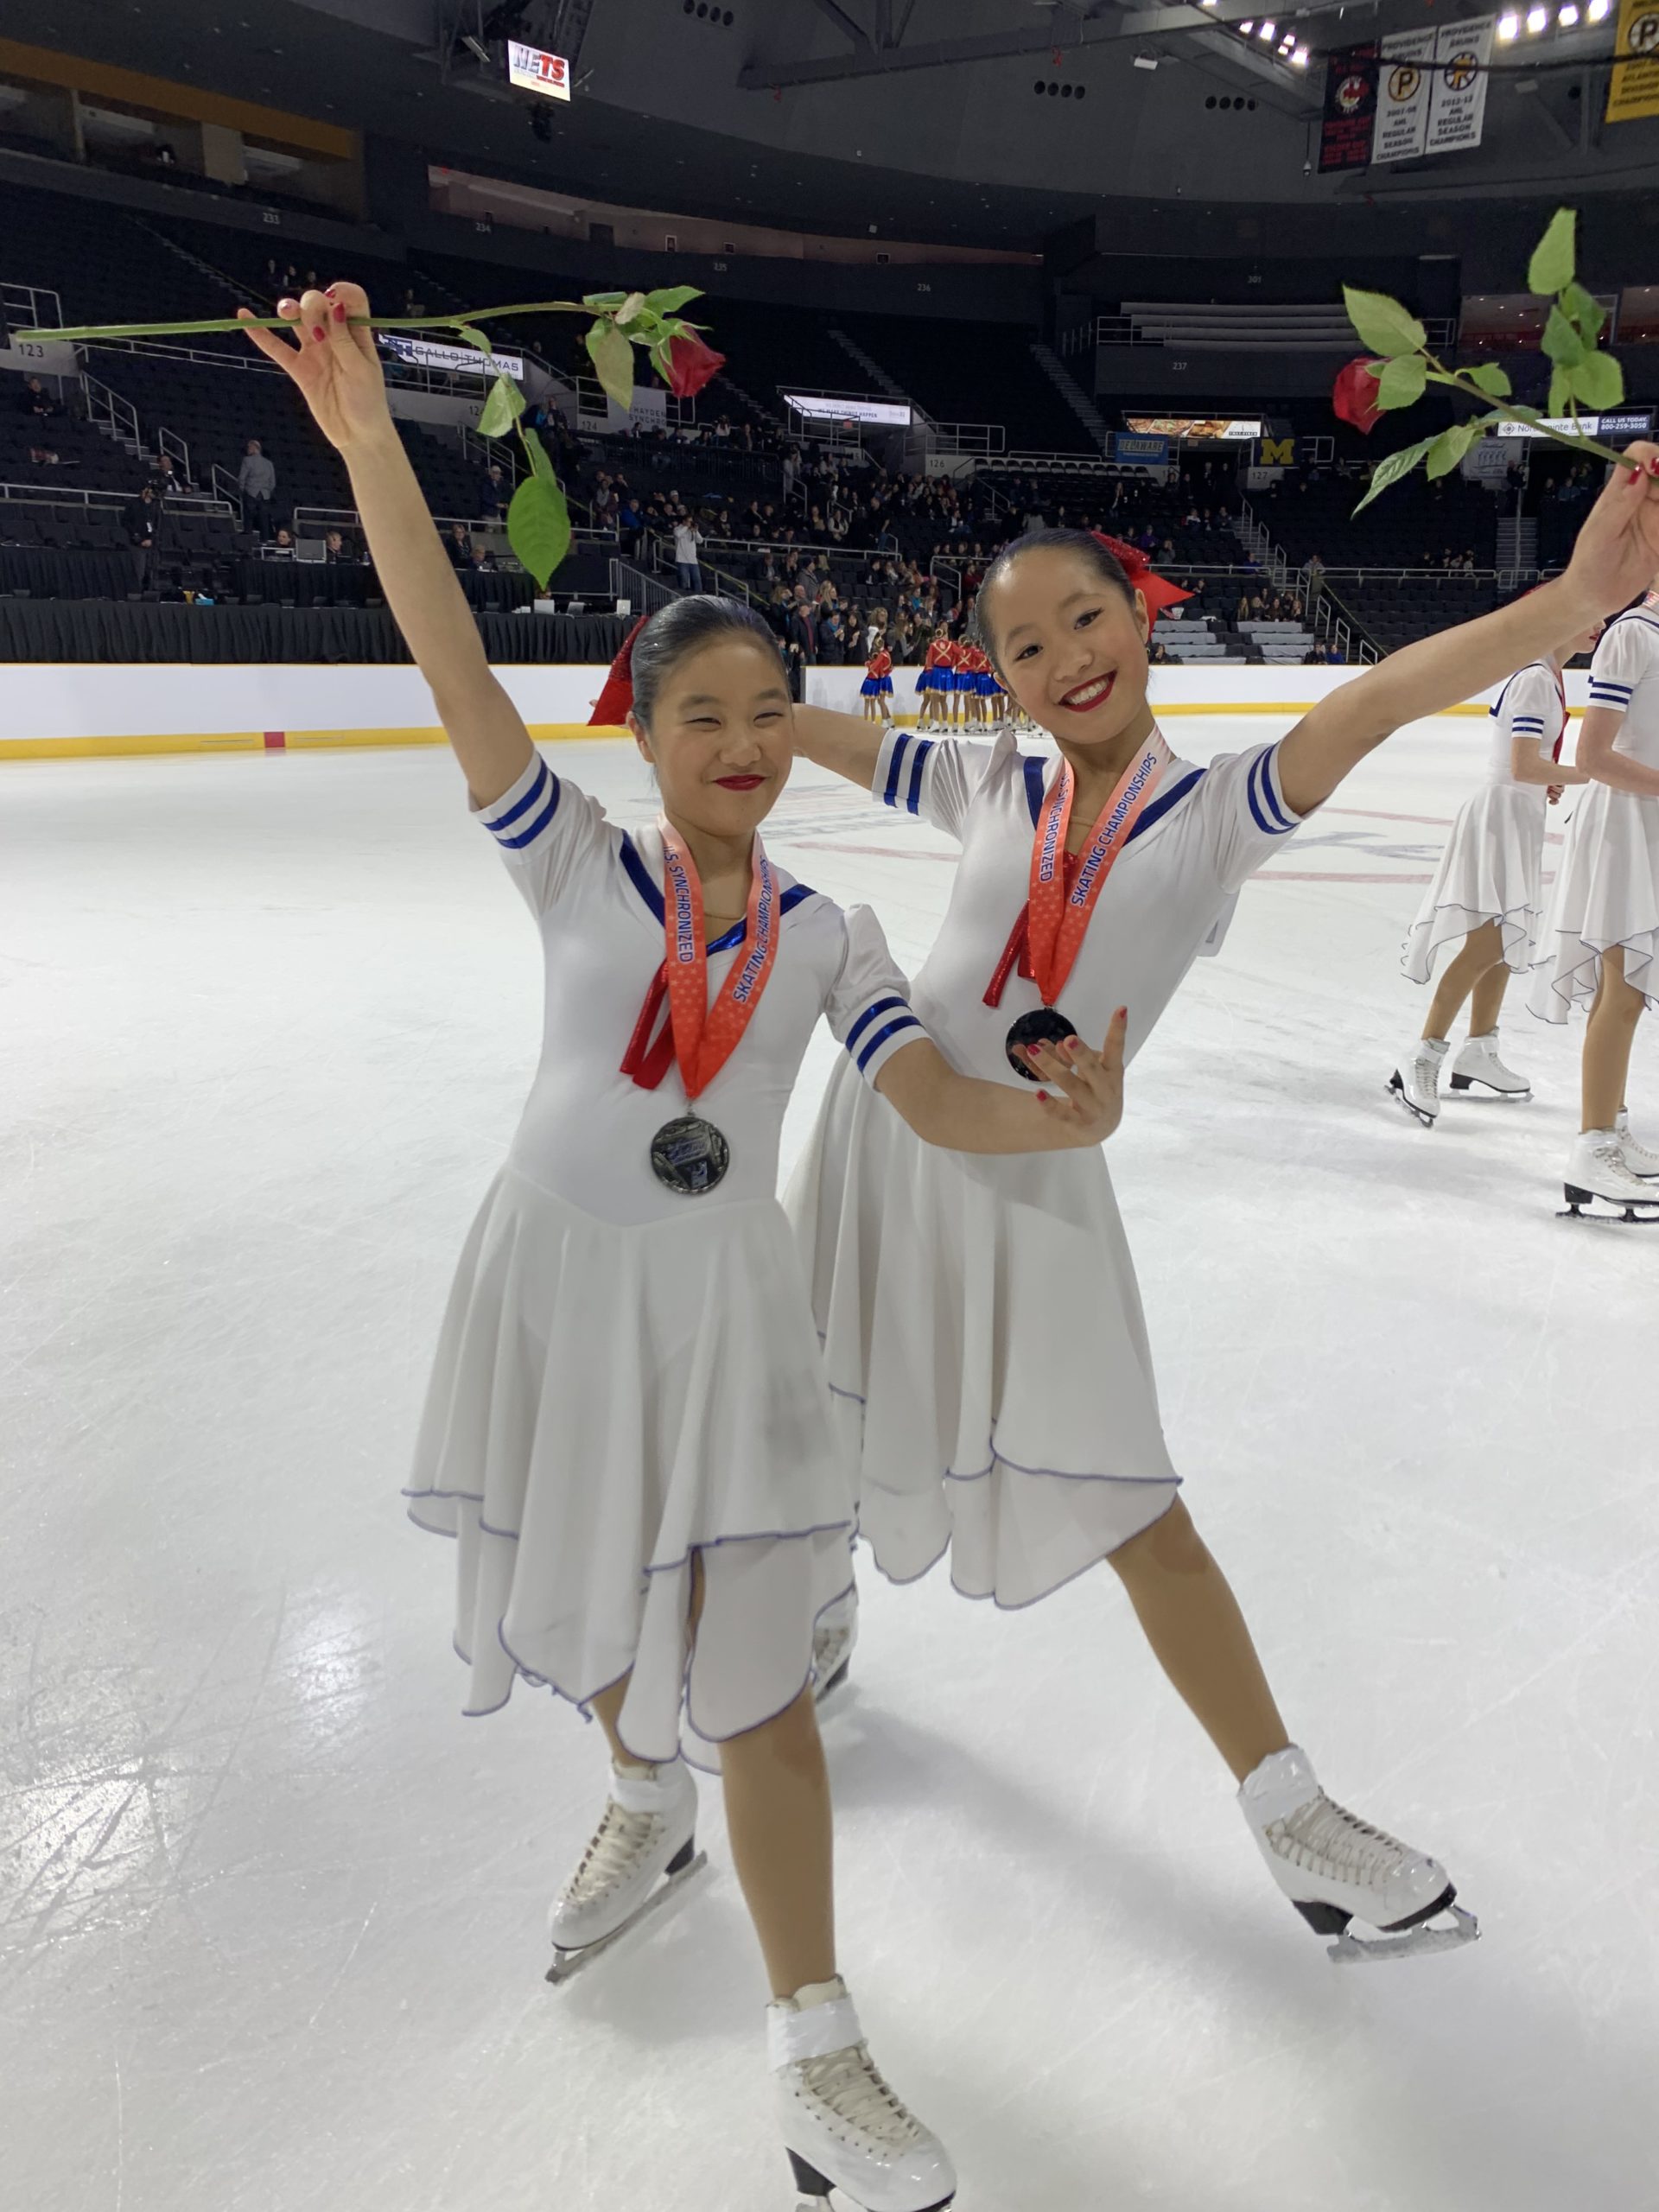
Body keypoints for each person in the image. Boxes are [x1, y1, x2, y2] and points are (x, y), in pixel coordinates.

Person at [238, 278, 1133, 2211]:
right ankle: (640, 1802)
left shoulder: (828, 938)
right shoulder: (567, 852)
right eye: (698, 714)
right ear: (641, 734)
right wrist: (376, 445)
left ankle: (818, 2048)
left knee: (764, 1681)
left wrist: (1051, 1109)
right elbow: (446, 650)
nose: (737, 742)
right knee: (609, 1603)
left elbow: (925, 1096)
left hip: (729, 1324)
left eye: (761, 713)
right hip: (560, 1290)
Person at [785, 482, 1659, 1961]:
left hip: (1040, 1175)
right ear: (992, 677)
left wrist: (1574, 607)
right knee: (805, 1394)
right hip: (885, 1122)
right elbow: (824, 736)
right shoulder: (987, 786)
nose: (1063, 658)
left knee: (1133, 1498)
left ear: (1139, 618)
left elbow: (1381, 698)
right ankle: (810, 1603)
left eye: (1084, 618)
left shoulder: (1218, 813)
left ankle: (1290, 1812)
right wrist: (713, 692)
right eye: (1020, 648)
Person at [1393, 626, 1599, 1122]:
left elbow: (1528, 767)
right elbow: (1524, 765)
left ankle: (1479, 1050)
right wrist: (1592, 775)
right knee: (1487, 944)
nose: (1599, 624)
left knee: (1508, 939)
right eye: (1590, 614)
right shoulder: (1533, 677)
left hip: (1518, 814)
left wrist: (1548, 780)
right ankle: (1423, 1054)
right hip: (1499, 819)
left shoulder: (1548, 673)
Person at [1529, 575, 1659, 1217]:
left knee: (1625, 993)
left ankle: (1608, 1126)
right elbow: (1596, 755)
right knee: (1623, 989)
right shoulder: (1633, 635)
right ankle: (1593, 1146)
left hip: (1648, 825)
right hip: (1624, 828)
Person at [123, 483, 158, 592]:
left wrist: (152, 539)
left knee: (151, 570)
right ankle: (138, 592)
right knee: (139, 571)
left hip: (152, 544)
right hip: (137, 543)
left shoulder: (155, 506)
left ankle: (151, 592)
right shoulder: (133, 504)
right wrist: (138, 539)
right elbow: (126, 523)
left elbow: (159, 525)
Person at [237, 438, 276, 535]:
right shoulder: (268, 463)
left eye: (249, 447)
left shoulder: (247, 460)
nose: (247, 449)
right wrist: (267, 491)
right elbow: (272, 482)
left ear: (254, 448)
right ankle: (265, 538)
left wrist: (243, 490)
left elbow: (242, 478)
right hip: (265, 494)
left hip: (251, 492)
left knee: (249, 516)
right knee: (264, 518)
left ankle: (248, 535)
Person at [859, 634, 893, 724]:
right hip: (884, 678)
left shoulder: (882, 655)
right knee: (879, 701)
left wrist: (869, 664)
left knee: (880, 701)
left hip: (882, 679)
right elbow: (885, 667)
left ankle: (885, 721)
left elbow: (876, 666)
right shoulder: (886, 653)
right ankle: (888, 719)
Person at [672, 514, 703, 593]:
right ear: (684, 521)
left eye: (691, 521)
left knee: (697, 580)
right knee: (684, 580)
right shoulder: (677, 529)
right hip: (682, 559)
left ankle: (699, 598)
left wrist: (696, 531)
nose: (690, 523)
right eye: (689, 521)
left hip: (693, 560)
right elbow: (678, 535)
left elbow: (700, 541)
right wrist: (686, 527)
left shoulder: (692, 530)